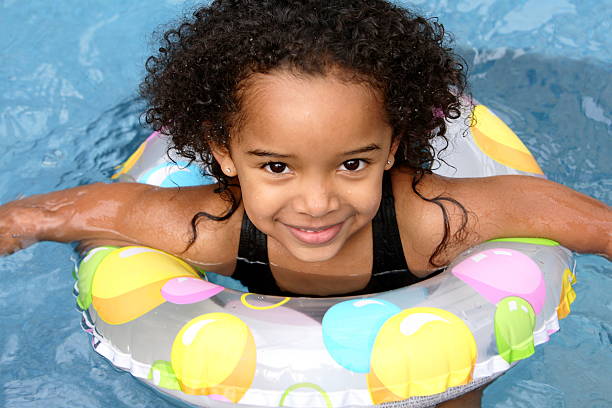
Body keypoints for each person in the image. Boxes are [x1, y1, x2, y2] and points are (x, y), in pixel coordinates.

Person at [0, 0, 609, 406]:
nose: (316, 203)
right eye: (276, 166)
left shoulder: (433, 222)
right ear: (224, 153)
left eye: (352, 164)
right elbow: (58, 215)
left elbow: (574, 218)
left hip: (437, 366)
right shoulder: (210, 227)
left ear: (393, 146)